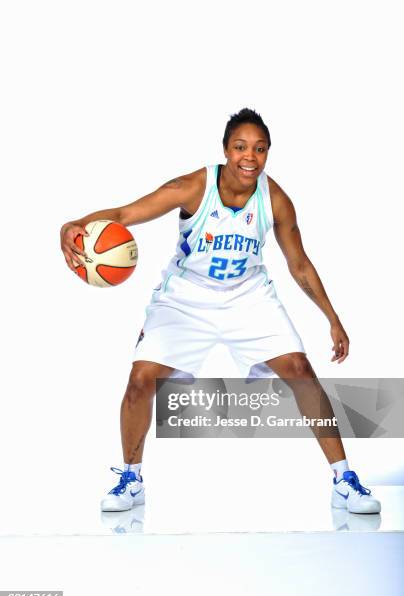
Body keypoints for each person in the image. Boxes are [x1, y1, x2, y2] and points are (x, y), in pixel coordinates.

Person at [60, 108, 381, 515]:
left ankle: (344, 479)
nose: (250, 157)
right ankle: (131, 477)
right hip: (185, 299)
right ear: (226, 149)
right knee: (140, 379)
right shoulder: (194, 187)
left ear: (267, 153)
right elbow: (125, 215)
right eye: (241, 147)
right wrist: (74, 224)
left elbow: (298, 263)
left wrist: (332, 318)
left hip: (248, 298)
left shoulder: (275, 199)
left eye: (260, 149)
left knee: (300, 370)